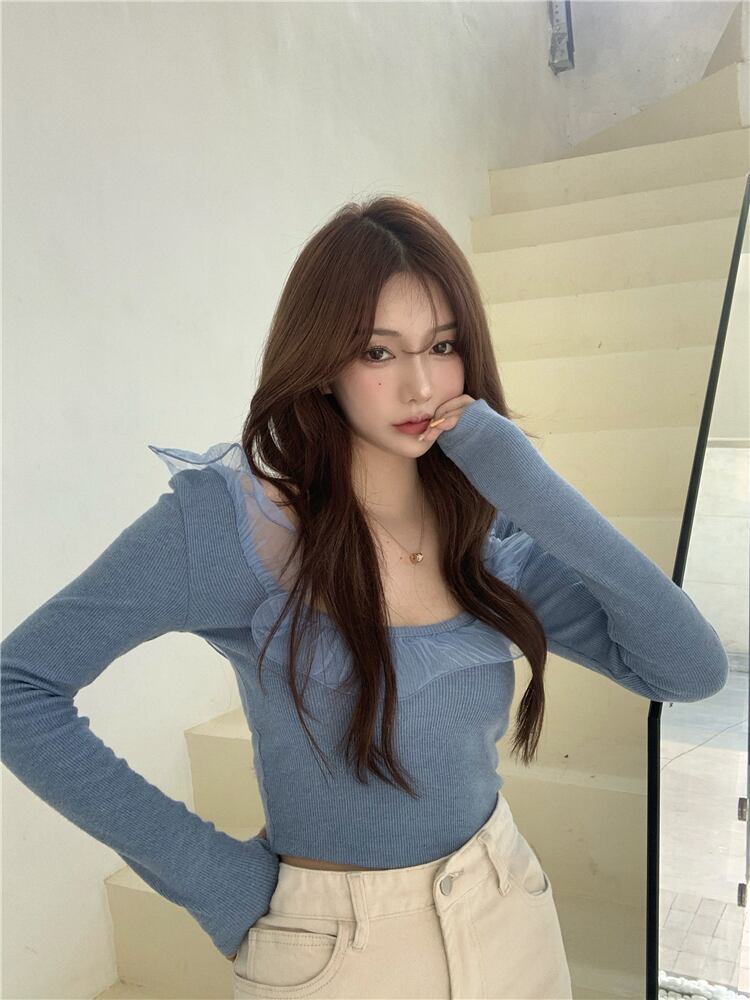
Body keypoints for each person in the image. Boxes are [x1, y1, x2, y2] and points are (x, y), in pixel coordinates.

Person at [1, 195, 728, 998]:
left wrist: (527, 481)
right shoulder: (233, 524)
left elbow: (689, 668)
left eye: (442, 346)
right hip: (338, 955)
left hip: (508, 909)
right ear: (324, 362)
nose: (420, 385)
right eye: (379, 352)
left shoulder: (487, 538)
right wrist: (216, 882)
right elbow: (17, 687)